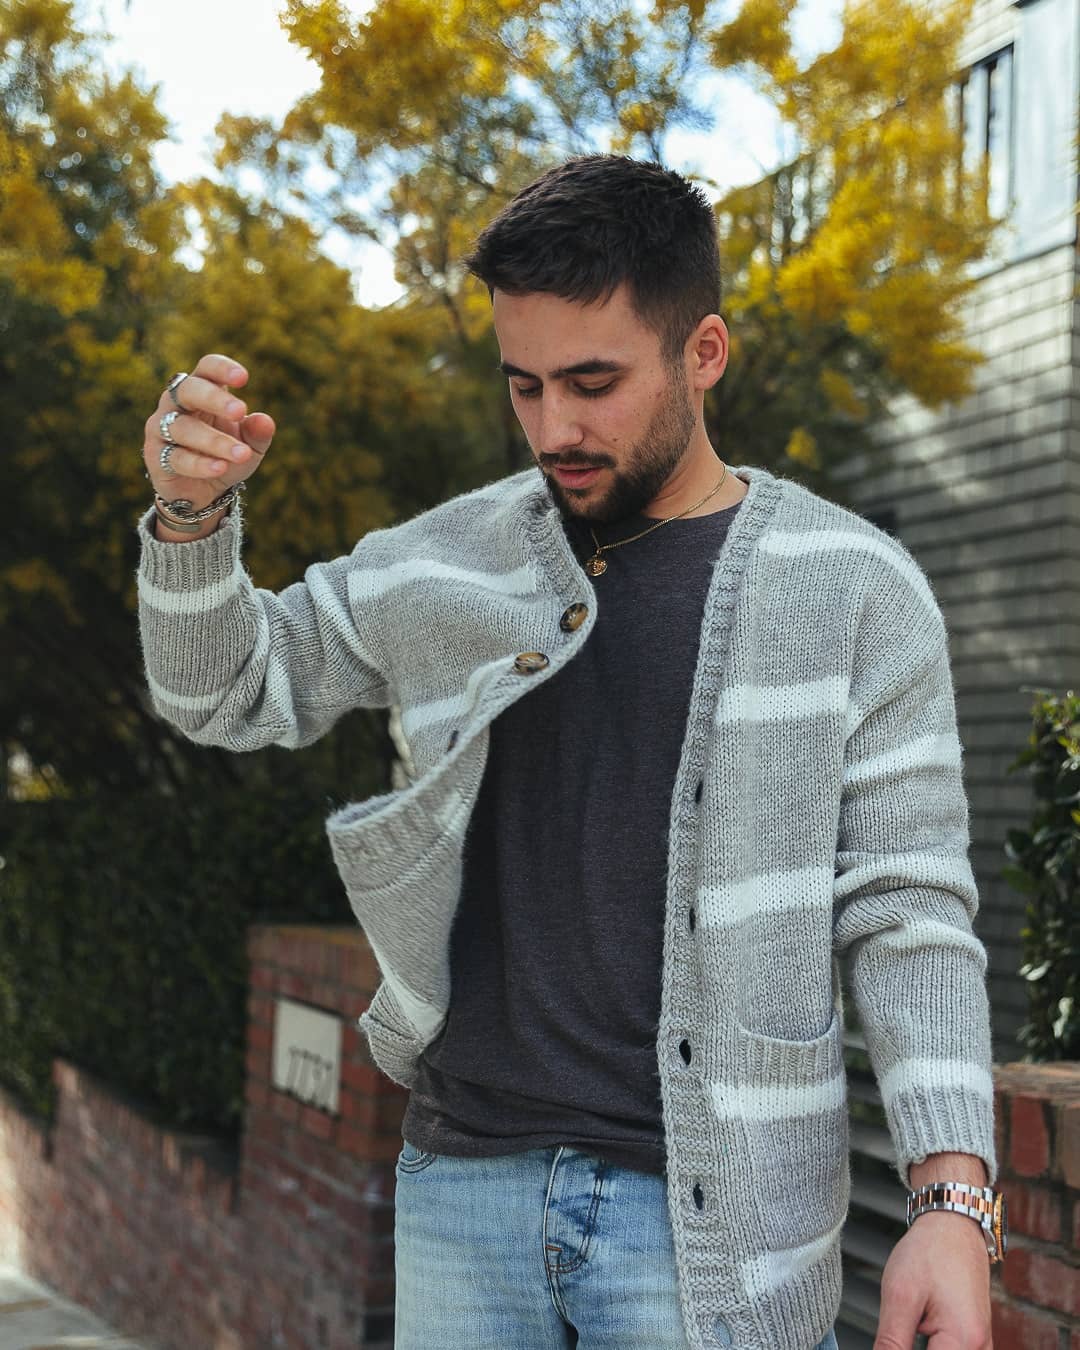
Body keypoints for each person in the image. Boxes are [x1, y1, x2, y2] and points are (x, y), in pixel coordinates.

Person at [137, 155, 1004, 1350]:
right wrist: (191, 521)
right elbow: (225, 690)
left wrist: (951, 1202)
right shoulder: (452, 558)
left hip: (716, 1235)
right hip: (462, 1195)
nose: (556, 426)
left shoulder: (854, 589)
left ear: (704, 353)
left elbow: (909, 911)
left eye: (594, 383)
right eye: (526, 386)